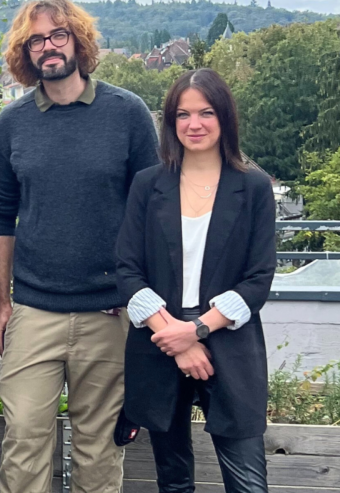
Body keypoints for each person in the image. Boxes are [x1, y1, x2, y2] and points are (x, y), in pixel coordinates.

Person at [0, 0, 160, 493]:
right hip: (35, 310)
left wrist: (137, 296)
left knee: (99, 451)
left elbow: (150, 212)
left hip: (109, 313)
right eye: (36, 40)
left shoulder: (126, 114)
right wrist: (3, 302)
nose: (48, 47)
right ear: (26, 53)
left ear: (79, 41)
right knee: (23, 444)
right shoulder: (12, 124)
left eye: (58, 35)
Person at [116, 69, 275, 493]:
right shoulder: (148, 185)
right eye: (182, 115)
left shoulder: (254, 187)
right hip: (159, 342)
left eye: (206, 112)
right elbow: (127, 269)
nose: (194, 124)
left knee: (247, 482)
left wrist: (198, 330)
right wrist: (174, 334)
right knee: (173, 481)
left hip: (228, 341)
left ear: (224, 117)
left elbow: (258, 279)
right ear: (171, 123)